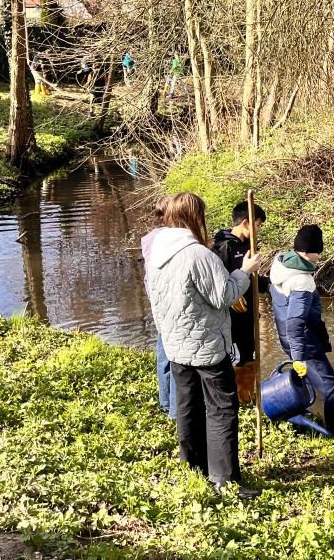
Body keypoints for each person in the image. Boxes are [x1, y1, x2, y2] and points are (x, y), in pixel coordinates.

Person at [144, 192, 262, 499]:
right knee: (222, 409)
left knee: (188, 406)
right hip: (206, 346)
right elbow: (224, 296)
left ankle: (193, 467)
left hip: (175, 346)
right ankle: (224, 480)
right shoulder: (198, 254)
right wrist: (245, 271)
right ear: (194, 217)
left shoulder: (156, 251)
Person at [268, 224, 334, 439]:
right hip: (304, 342)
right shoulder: (301, 281)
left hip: (287, 338)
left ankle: (304, 419)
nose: (319, 256)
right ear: (305, 252)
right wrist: (299, 357)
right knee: (329, 384)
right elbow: (295, 322)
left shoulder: (280, 264)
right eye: (317, 251)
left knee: (312, 380)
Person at [213, 200, 269, 405]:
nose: (259, 229)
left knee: (251, 356)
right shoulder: (223, 247)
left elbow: (253, 278)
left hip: (249, 314)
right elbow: (217, 284)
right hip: (232, 319)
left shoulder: (249, 245)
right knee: (237, 359)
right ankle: (236, 400)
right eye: (258, 225)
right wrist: (232, 297)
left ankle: (249, 397)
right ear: (246, 223)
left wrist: (270, 285)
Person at [141, 196, 177, 420]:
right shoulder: (168, 240)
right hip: (169, 304)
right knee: (175, 357)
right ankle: (174, 410)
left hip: (157, 302)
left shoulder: (150, 239)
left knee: (164, 352)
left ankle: (165, 402)